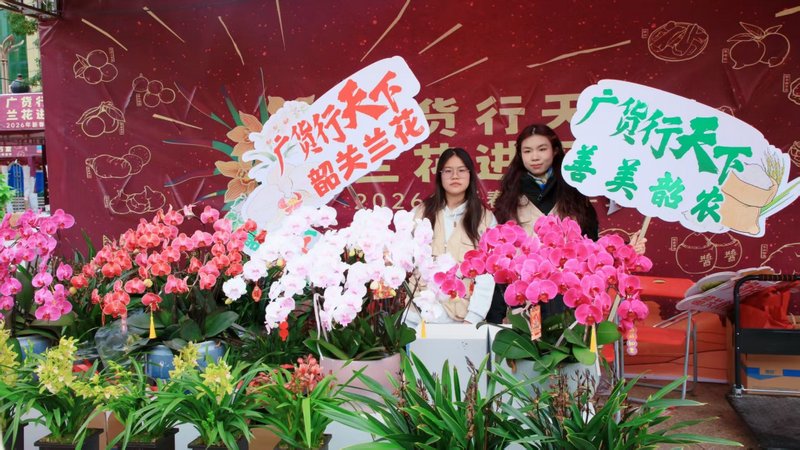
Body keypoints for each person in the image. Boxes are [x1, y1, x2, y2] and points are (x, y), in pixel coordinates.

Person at [486, 124, 646, 323]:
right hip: (526, 297)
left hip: (568, 295)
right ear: (520, 155)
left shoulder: (574, 193)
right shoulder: (509, 198)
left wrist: (626, 250)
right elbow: (499, 257)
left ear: (555, 151)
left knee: (566, 340)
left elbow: (592, 248)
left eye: (542, 149)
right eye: (527, 151)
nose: (535, 157)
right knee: (529, 340)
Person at [411, 147, 496, 324]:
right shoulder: (420, 213)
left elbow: (487, 275)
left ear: (470, 174)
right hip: (416, 314)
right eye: (448, 171)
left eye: (461, 170)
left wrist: (473, 318)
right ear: (440, 175)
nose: (455, 176)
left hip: (460, 317)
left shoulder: (485, 219)